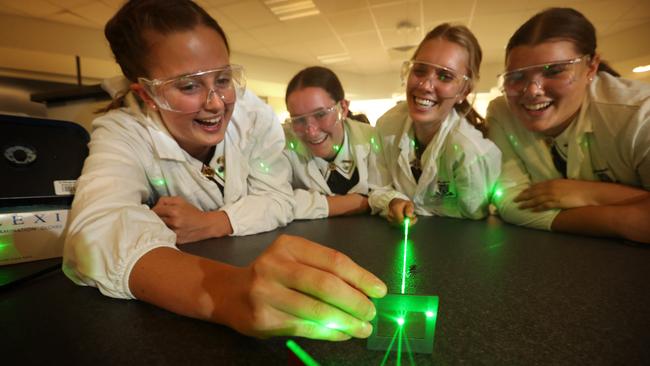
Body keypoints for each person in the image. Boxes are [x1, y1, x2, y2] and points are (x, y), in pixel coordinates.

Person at [63, 0, 387, 341]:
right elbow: (95, 232)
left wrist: (212, 222)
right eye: (189, 86)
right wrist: (226, 294)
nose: (216, 103)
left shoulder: (252, 116)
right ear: (147, 95)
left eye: (223, 79)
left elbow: (277, 199)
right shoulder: (122, 133)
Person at [487, 7, 650, 244]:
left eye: (554, 71)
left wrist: (587, 193)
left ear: (591, 67)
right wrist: (623, 219)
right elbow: (511, 203)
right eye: (518, 76)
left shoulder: (639, 116)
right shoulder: (502, 112)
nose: (532, 91)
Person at [369, 23, 501, 225]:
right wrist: (391, 201)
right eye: (420, 71)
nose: (424, 86)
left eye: (445, 76)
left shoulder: (472, 152)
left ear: (463, 92)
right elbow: (376, 187)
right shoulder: (388, 125)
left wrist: (411, 205)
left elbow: (473, 218)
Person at [283, 66, 380, 219]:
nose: (311, 131)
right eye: (299, 120)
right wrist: (360, 202)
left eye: (320, 114)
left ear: (343, 107)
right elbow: (274, 203)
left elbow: (388, 194)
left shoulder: (372, 138)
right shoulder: (282, 144)